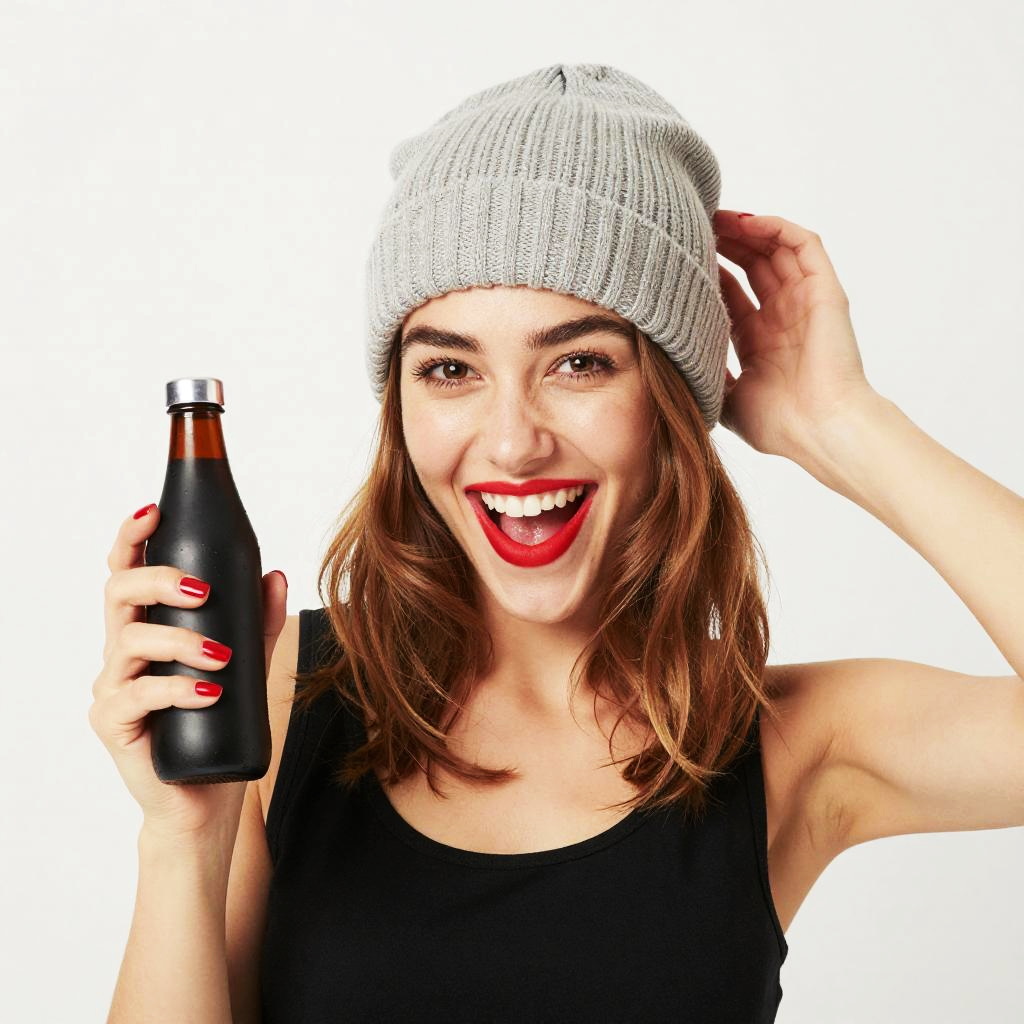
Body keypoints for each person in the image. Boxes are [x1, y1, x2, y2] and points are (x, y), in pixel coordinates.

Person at [90, 64, 1024, 1023]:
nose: (511, 442)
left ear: (670, 400)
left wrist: (841, 425)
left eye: (578, 362)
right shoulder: (282, 694)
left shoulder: (797, 744)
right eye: (450, 369)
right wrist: (182, 840)